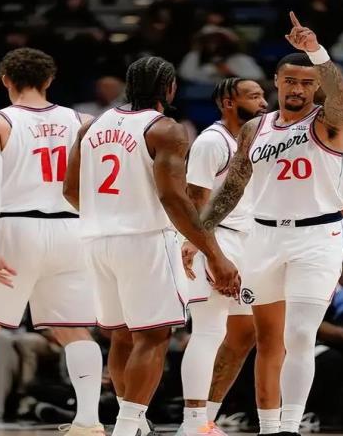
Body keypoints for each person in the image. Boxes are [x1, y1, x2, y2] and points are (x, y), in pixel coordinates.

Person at [62, 56, 240, 436]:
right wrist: (214, 254)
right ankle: (127, 428)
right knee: (154, 335)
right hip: (143, 240)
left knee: (122, 335)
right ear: (170, 88)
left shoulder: (91, 127)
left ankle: (135, 425)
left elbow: (70, 190)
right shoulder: (166, 129)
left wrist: (106, 215)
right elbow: (174, 199)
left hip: (95, 241)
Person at [201, 12, 343, 436]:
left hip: (317, 235)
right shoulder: (255, 128)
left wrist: (316, 51)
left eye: (307, 82)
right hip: (264, 236)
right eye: (290, 81)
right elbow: (231, 189)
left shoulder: (329, 121)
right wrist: (200, 234)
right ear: (277, 82)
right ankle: (269, 427)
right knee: (267, 339)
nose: (298, 89)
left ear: (316, 86)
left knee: (300, 334)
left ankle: (289, 426)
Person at [0, 47, 104, 436]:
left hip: (14, 228)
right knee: (74, 328)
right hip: (71, 229)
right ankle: (88, 421)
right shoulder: (84, 121)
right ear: (49, 80)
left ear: (5, 80)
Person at [177, 77, 267, 436]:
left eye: (263, 95)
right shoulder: (211, 142)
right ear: (229, 103)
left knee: (244, 333)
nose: (264, 103)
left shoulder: (256, 139)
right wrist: (201, 245)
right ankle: (192, 423)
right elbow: (194, 200)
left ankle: (208, 418)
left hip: (249, 241)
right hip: (217, 239)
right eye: (254, 96)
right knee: (209, 329)